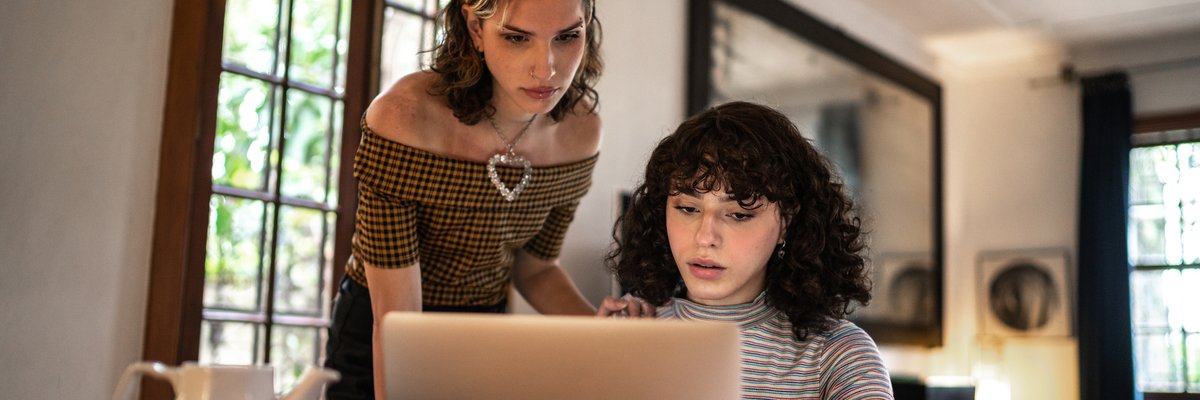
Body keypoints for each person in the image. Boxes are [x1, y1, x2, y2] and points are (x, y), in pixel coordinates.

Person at [323, 1, 648, 399]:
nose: (547, 69)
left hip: (483, 329)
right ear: (475, 27)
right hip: (381, 330)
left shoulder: (579, 133)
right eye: (516, 37)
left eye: (567, 36)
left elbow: (536, 268)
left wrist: (609, 335)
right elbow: (397, 318)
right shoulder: (402, 118)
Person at [605, 101, 894, 399]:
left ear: (786, 221)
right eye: (688, 208)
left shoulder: (837, 354)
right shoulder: (628, 333)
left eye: (739, 215)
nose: (705, 237)